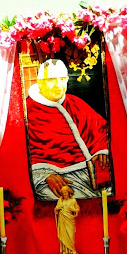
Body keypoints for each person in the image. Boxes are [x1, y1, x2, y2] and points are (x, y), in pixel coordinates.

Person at [26, 58, 111, 201]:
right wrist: (42, 175)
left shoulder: (75, 103)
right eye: (52, 79)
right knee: (64, 202)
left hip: (91, 172)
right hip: (53, 177)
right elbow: (19, 155)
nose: (58, 85)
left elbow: (100, 129)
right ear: (40, 82)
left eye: (62, 79)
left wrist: (102, 149)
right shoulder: (27, 111)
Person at [54, 185, 80, 254]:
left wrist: (74, 210)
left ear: (68, 193)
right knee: (63, 235)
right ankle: (64, 251)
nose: (64, 194)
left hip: (69, 220)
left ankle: (72, 250)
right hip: (62, 220)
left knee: (70, 235)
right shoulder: (60, 201)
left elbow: (77, 208)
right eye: (63, 193)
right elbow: (56, 210)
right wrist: (57, 208)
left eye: (65, 192)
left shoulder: (73, 201)